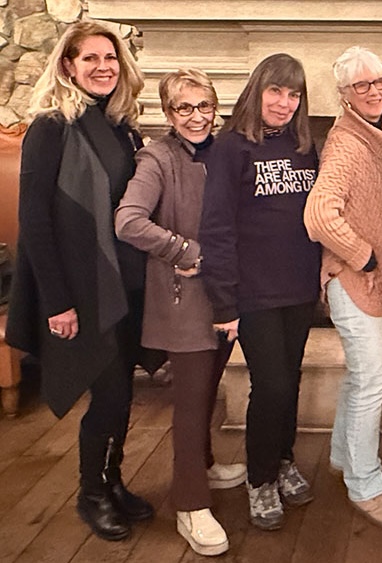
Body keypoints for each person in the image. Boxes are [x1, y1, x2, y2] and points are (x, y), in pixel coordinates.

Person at [5, 21, 154, 541]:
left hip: (126, 281)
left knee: (123, 393)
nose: (103, 67)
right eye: (90, 58)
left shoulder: (122, 126)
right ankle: (91, 494)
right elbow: (34, 220)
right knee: (108, 394)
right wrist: (57, 303)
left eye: (109, 58)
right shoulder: (51, 127)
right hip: (83, 289)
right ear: (68, 65)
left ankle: (113, 482)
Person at [115, 69, 247, 556]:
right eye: (184, 108)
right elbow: (128, 221)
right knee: (191, 402)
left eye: (204, 106)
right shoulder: (157, 159)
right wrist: (185, 250)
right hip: (183, 297)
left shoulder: (225, 151)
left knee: (208, 387)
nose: (196, 117)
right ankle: (190, 503)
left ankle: (203, 465)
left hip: (226, 295)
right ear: (169, 113)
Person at [198, 54, 321, 532]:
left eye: (294, 94)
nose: (284, 103)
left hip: (299, 288)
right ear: (257, 91)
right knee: (270, 385)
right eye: (276, 91)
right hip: (253, 293)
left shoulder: (305, 147)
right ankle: (261, 478)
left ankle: (284, 458)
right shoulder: (231, 148)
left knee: (290, 380)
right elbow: (217, 227)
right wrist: (224, 301)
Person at [304, 46, 382, 530]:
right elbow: (318, 214)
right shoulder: (346, 144)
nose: (373, 91)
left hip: (379, 280)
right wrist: (362, 254)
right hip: (354, 279)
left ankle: (345, 456)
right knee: (371, 382)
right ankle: (365, 483)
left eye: (379, 81)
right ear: (344, 95)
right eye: (361, 85)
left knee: (360, 378)